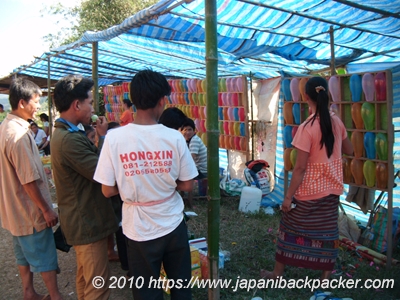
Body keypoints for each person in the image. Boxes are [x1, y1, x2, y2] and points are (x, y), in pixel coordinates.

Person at [94, 69, 198, 300]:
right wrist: (166, 183)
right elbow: (188, 184)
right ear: (162, 100)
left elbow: (107, 189)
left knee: (146, 290)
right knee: (181, 287)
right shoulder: (175, 137)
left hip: (137, 228)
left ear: (134, 99)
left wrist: (134, 185)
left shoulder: (114, 138)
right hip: (172, 223)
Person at [261, 77, 353, 281]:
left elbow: (301, 168)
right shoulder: (336, 121)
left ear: (305, 97)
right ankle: (325, 277)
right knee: (328, 234)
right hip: (332, 188)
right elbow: (350, 149)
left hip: (309, 191)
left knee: (288, 227)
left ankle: (277, 273)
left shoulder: (307, 128)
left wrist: (288, 197)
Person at [51, 74, 119, 300]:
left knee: (85, 278)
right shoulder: (69, 139)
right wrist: (104, 138)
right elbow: (102, 173)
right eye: (90, 102)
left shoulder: (69, 133)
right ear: (76, 104)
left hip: (82, 220)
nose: (92, 108)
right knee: (97, 286)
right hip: (87, 222)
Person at [0, 78, 62, 300]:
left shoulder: (5, 127)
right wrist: (45, 209)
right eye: (36, 101)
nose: (38, 106)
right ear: (23, 103)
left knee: (23, 254)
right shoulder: (18, 135)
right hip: (28, 209)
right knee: (43, 254)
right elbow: (27, 180)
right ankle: (55, 296)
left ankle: (29, 291)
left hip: (14, 209)